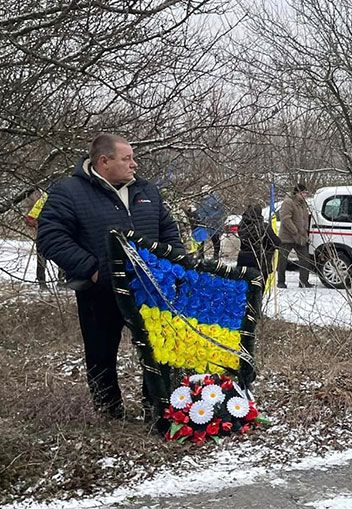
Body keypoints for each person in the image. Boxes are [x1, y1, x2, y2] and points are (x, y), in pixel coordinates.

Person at [37, 133, 183, 420]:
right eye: (127, 159)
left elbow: (169, 231)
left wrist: (175, 266)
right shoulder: (69, 191)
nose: (134, 164)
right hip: (100, 292)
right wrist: (94, 271)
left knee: (158, 351)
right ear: (104, 161)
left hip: (151, 291)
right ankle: (109, 414)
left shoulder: (147, 191)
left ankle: (156, 409)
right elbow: (51, 237)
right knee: (101, 354)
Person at [276, 183, 314, 289]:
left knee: (305, 259)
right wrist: (295, 231)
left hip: (301, 236)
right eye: (303, 193)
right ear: (297, 193)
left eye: (306, 193)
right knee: (283, 260)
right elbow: (286, 219)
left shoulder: (303, 204)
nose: (305, 195)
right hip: (287, 236)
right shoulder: (288, 202)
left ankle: (304, 281)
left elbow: (304, 218)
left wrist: (305, 231)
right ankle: (281, 281)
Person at [236, 203, 278, 279]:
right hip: (260, 261)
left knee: (243, 286)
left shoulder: (241, 226)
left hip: (243, 259)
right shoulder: (264, 227)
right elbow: (276, 242)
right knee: (258, 287)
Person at [23, 188, 50, 289]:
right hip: (44, 232)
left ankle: (61, 280)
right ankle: (42, 281)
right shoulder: (44, 198)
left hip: (60, 231)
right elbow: (30, 218)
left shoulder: (65, 197)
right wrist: (34, 222)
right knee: (42, 257)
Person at [195, 187, 226, 260]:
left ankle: (216, 256)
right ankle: (201, 256)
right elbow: (199, 211)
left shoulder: (216, 199)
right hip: (202, 224)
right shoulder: (201, 201)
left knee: (215, 240)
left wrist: (211, 218)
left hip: (213, 223)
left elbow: (221, 211)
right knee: (201, 240)